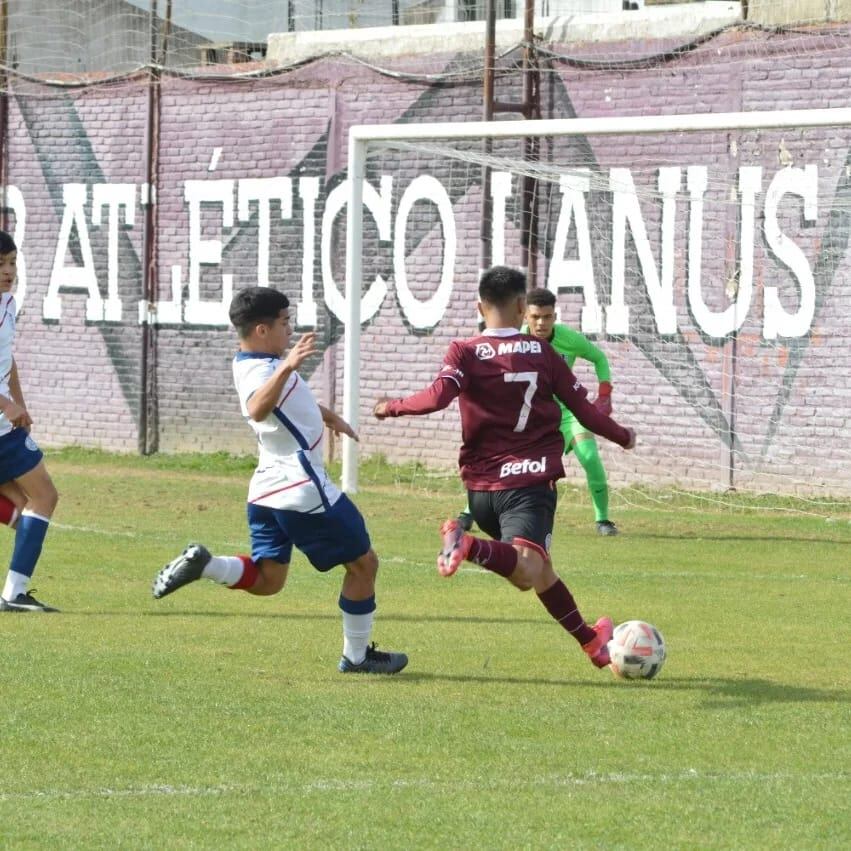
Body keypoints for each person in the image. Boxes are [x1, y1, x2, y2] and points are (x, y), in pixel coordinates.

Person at [373, 265, 635, 670]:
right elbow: (583, 409)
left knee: (533, 572)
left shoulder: (463, 350)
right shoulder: (545, 353)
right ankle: (467, 543)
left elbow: (437, 397)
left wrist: (391, 406)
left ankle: (592, 643)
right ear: (520, 306)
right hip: (529, 482)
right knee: (528, 568)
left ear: (480, 307)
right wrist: (622, 436)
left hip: (480, 491)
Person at [151, 286, 407, 675]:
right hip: (301, 488)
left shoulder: (252, 361)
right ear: (261, 330)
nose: (290, 330)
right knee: (364, 565)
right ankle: (357, 657)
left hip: (268, 488)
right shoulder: (266, 368)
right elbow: (258, 407)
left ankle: (206, 565)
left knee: (269, 579)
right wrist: (289, 364)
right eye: (285, 322)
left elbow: (284, 399)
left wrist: (326, 414)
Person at [465, 287, 620, 536]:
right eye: (535, 317)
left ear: (554, 316)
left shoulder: (569, 339)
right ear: (525, 316)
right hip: (532, 418)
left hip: (568, 415)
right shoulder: (513, 342)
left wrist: (604, 394)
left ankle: (603, 521)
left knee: (590, 458)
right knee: (503, 462)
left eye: (547, 317)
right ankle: (468, 511)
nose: (541, 322)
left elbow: (600, 358)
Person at [0, 229, 61, 613]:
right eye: (0, 265)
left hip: (5, 422)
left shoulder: (8, 303)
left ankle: (14, 593)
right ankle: (13, 595)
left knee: (23, 508)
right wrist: (7, 407)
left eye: (12, 263)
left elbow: (7, 358)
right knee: (44, 497)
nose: (8, 271)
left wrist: (19, 402)